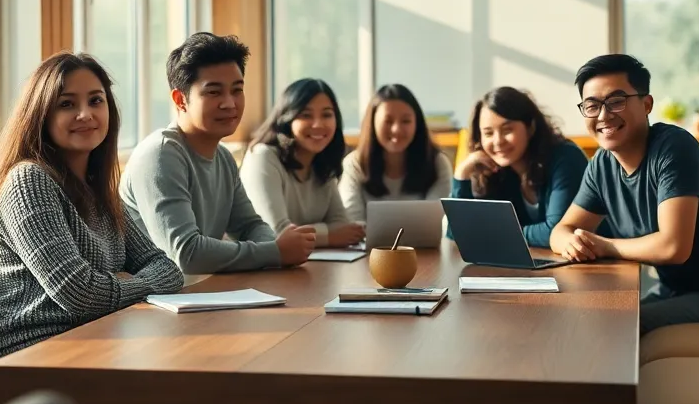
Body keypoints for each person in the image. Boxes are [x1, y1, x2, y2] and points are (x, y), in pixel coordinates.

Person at [0, 52, 185, 404]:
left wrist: (118, 284)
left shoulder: (98, 191)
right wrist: (131, 283)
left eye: (96, 100)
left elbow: (169, 269)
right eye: (67, 103)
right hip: (36, 363)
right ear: (41, 114)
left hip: (96, 351)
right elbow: (81, 295)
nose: (86, 114)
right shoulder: (28, 181)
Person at [549, 53, 699, 335]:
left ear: (646, 104)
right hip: (675, 290)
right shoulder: (601, 164)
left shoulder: (674, 148)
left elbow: (673, 247)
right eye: (592, 106)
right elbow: (561, 230)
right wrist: (571, 241)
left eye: (616, 101)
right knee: (594, 316)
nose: (604, 115)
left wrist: (605, 245)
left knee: (619, 326)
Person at [120, 33, 317, 274]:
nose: (230, 103)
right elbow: (186, 255)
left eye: (237, 90)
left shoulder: (223, 157)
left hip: (201, 296)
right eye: (214, 92)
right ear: (180, 99)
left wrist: (276, 249)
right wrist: (275, 252)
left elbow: (249, 226)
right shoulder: (160, 155)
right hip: (150, 303)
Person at [450, 86, 587, 247]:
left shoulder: (565, 158)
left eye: (507, 130)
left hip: (599, 265)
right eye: (488, 133)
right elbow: (459, 233)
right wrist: (461, 175)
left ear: (530, 127)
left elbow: (559, 232)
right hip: (537, 265)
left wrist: (498, 233)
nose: (498, 141)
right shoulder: (499, 172)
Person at [240, 79, 362, 248]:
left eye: (327, 114)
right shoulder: (262, 157)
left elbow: (342, 226)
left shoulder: (322, 162)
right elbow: (275, 234)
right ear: (286, 119)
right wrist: (329, 236)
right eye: (306, 115)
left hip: (305, 265)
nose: (318, 124)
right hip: (256, 269)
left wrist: (329, 233)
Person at [339, 83, 453, 223]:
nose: (397, 129)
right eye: (388, 121)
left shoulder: (437, 163)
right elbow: (352, 221)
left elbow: (437, 222)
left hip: (424, 245)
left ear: (417, 124)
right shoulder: (354, 164)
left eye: (406, 121)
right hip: (368, 245)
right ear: (373, 123)